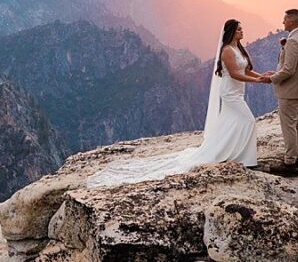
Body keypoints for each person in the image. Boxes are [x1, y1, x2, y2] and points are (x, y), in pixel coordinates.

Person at [82, 18, 269, 188]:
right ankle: (245, 159)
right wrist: (258, 81)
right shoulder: (227, 51)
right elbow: (235, 74)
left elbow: (247, 69)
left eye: (241, 29)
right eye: (239, 29)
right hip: (230, 92)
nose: (242, 31)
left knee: (232, 122)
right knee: (248, 120)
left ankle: (234, 153)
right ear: (231, 32)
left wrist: (262, 76)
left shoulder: (239, 50)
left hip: (238, 91)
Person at [269, 8, 298, 176]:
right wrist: (284, 47)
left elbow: (288, 70)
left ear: (292, 21)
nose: (283, 22)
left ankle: (289, 163)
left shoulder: (294, 41)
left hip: (290, 90)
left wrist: (271, 78)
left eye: (285, 19)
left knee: (288, 126)